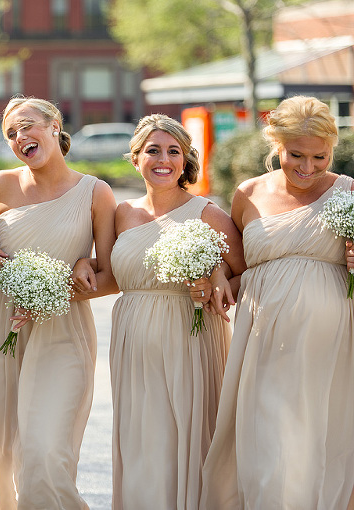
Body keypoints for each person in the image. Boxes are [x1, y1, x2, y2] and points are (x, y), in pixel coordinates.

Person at [0, 96, 117, 509]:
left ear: (54, 125)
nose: (19, 137)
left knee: (46, 453)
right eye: (10, 134)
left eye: (27, 125)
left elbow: (113, 275)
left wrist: (69, 277)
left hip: (64, 330)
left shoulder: (95, 192)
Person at [200, 96, 354, 508]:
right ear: (275, 143)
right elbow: (235, 266)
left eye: (319, 157)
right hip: (262, 338)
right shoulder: (248, 195)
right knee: (268, 444)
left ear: (332, 149)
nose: (307, 168)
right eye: (296, 155)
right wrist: (214, 275)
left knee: (318, 442)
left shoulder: (349, 192)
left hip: (329, 344)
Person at [105, 114, 245, 509]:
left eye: (173, 151)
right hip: (132, 344)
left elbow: (247, 274)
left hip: (190, 339)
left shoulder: (207, 214)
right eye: (153, 150)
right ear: (135, 159)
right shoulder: (122, 213)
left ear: (186, 161)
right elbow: (109, 271)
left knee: (186, 435)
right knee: (141, 442)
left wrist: (215, 285)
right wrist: (84, 265)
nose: (163, 159)